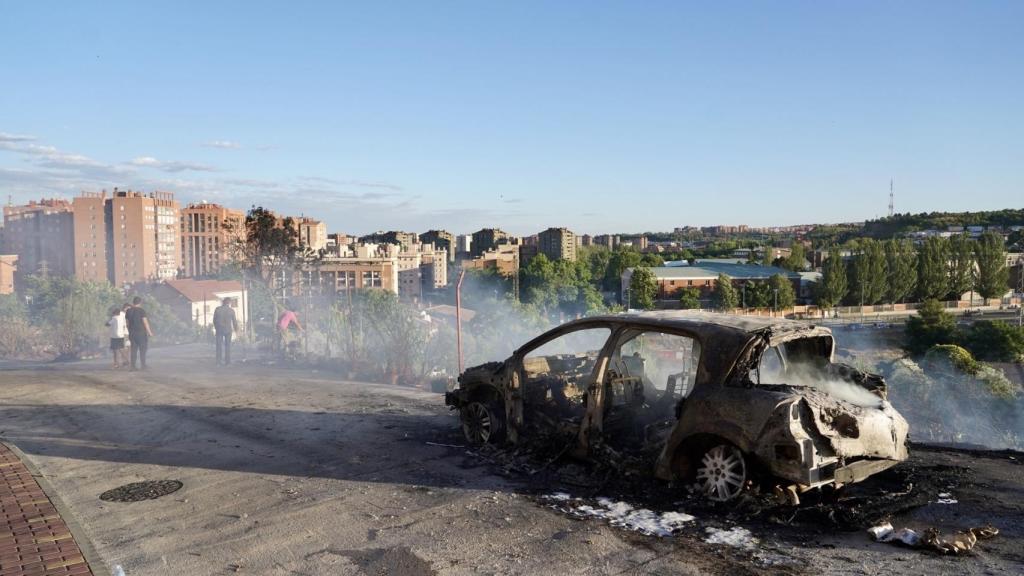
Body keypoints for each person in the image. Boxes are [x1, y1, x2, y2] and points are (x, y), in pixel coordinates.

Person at [125, 296, 154, 370]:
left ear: (133, 302)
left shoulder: (128, 311)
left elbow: (127, 323)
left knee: (133, 349)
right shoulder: (141, 311)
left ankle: (133, 366)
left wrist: (129, 330)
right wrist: (149, 332)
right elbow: (145, 322)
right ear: (140, 303)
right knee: (142, 349)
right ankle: (143, 365)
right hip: (141, 333)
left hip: (132, 333)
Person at [213, 297, 239, 365]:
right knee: (228, 346)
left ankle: (218, 362)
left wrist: (216, 328)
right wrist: (236, 330)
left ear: (223, 302)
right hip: (228, 330)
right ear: (229, 303)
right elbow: (234, 322)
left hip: (219, 329)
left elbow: (214, 320)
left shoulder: (217, 309)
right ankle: (227, 362)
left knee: (219, 346)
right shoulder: (231, 310)